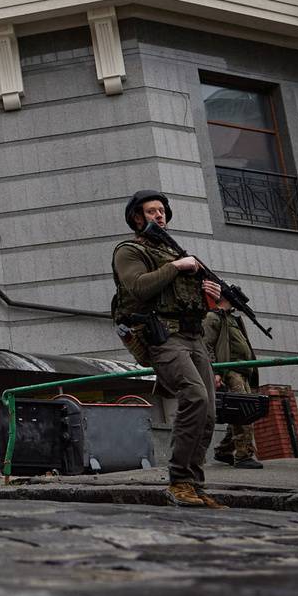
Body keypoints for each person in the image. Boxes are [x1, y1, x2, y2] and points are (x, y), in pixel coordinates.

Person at [112, 189, 224, 509]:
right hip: (162, 336)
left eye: (162, 210)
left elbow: (192, 303)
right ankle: (179, 481)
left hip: (193, 336)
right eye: (151, 211)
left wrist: (208, 292)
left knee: (209, 412)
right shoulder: (129, 250)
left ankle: (195, 484)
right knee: (194, 396)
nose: (159, 215)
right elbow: (138, 286)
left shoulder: (174, 252)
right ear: (137, 217)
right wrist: (178, 266)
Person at [205, 295, 263, 470]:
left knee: (246, 411)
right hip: (230, 370)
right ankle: (243, 455)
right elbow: (206, 344)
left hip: (243, 370)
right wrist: (215, 371)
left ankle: (224, 451)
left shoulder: (231, 318)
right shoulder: (212, 317)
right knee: (242, 412)